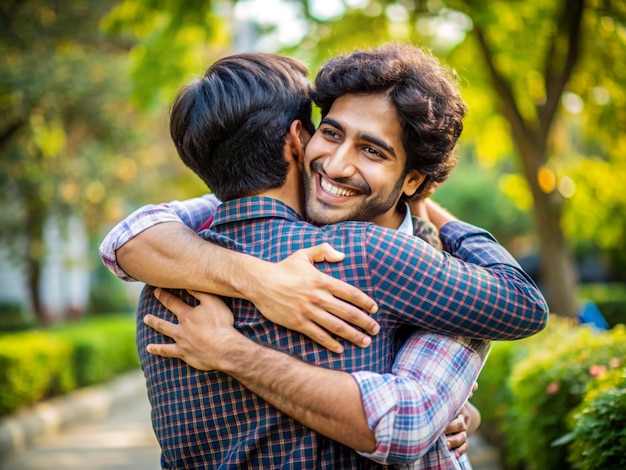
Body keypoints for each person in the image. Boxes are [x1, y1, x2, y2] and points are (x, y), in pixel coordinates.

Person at [100, 45, 548, 468]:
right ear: (300, 138)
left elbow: (130, 234)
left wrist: (455, 408)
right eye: (329, 133)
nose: (334, 166)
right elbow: (127, 237)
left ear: (412, 178)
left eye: (372, 150)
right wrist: (256, 280)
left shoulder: (158, 294)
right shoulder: (365, 252)